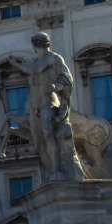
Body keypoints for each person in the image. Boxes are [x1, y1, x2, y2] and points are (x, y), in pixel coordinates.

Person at [23, 31, 85, 182]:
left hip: (48, 100)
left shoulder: (55, 58)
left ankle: (57, 170)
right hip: (34, 104)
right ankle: (52, 169)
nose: (38, 46)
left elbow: (66, 77)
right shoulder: (32, 63)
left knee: (48, 132)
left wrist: (59, 85)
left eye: (39, 43)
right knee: (39, 141)